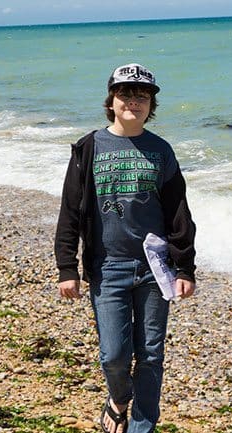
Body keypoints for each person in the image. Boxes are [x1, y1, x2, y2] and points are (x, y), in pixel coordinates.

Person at [54, 63, 196, 433]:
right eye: (125, 94)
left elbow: (178, 212)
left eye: (142, 96)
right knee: (114, 355)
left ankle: (141, 426)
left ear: (151, 105)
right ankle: (119, 397)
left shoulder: (161, 150)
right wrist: (67, 267)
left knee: (150, 353)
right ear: (111, 101)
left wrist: (185, 268)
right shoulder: (89, 147)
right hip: (108, 267)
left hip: (155, 267)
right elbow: (71, 210)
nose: (133, 101)